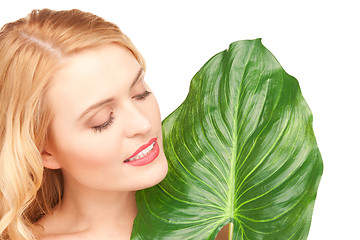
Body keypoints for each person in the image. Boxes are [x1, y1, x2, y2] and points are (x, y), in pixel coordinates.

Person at [0, 9, 168, 240]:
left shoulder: (217, 214)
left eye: (140, 93)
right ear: (44, 151)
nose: (143, 123)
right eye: (103, 121)